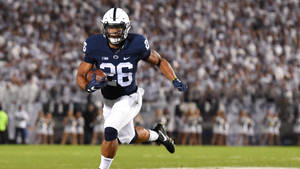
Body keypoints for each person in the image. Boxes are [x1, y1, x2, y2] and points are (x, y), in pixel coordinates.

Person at [76, 8, 187, 169]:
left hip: (129, 97)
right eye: (110, 28)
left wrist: (174, 78)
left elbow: (159, 61)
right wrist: (87, 87)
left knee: (110, 130)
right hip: (108, 101)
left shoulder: (137, 43)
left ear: (126, 27)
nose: (113, 32)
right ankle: (159, 135)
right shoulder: (94, 45)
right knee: (128, 137)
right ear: (104, 28)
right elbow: (81, 75)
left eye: (118, 28)